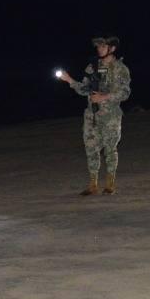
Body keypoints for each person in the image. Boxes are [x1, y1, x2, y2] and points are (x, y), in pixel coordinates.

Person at [60, 35, 132, 194]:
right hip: (91, 116)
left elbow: (125, 93)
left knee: (110, 149)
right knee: (91, 149)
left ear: (112, 48)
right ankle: (93, 185)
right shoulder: (92, 67)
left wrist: (104, 97)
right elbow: (84, 89)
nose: (99, 49)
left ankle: (110, 184)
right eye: (98, 46)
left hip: (110, 116)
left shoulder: (121, 69)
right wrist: (69, 80)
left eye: (103, 46)